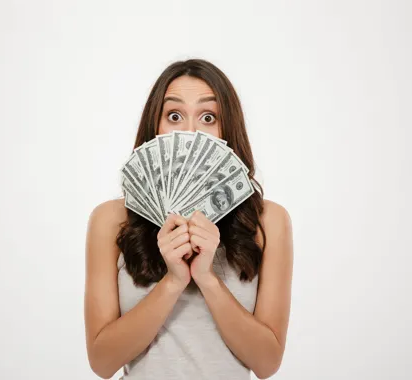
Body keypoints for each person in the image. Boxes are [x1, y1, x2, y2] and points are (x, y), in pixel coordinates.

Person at [84, 58, 294, 379]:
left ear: (228, 130)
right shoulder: (111, 220)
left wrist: (207, 278)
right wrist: (173, 281)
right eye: (174, 116)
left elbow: (267, 364)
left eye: (208, 117)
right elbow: (102, 362)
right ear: (155, 126)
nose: (190, 132)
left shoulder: (269, 222)